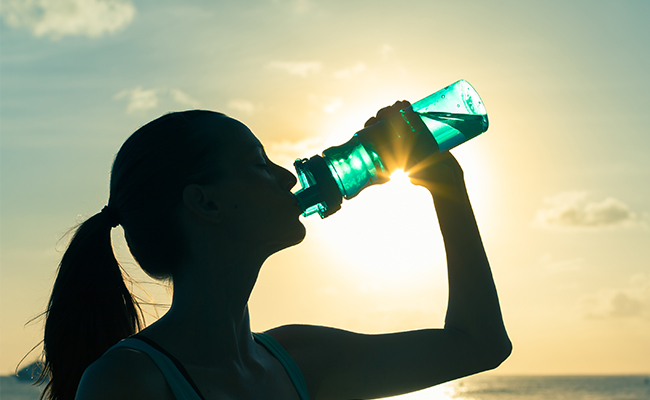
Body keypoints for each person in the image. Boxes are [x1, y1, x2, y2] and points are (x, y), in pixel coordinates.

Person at [39, 102, 511, 400]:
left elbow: (480, 345)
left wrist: (446, 187)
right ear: (206, 202)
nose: (287, 177)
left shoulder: (298, 358)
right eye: (257, 163)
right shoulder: (128, 383)